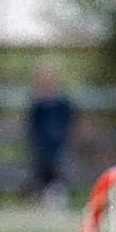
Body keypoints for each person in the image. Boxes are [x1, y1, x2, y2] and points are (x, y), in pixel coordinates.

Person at [27, 66, 75, 208]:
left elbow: (70, 120)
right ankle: (42, 199)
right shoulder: (37, 104)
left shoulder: (62, 102)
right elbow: (32, 124)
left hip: (60, 144)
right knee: (42, 172)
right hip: (42, 144)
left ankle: (58, 200)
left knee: (59, 172)